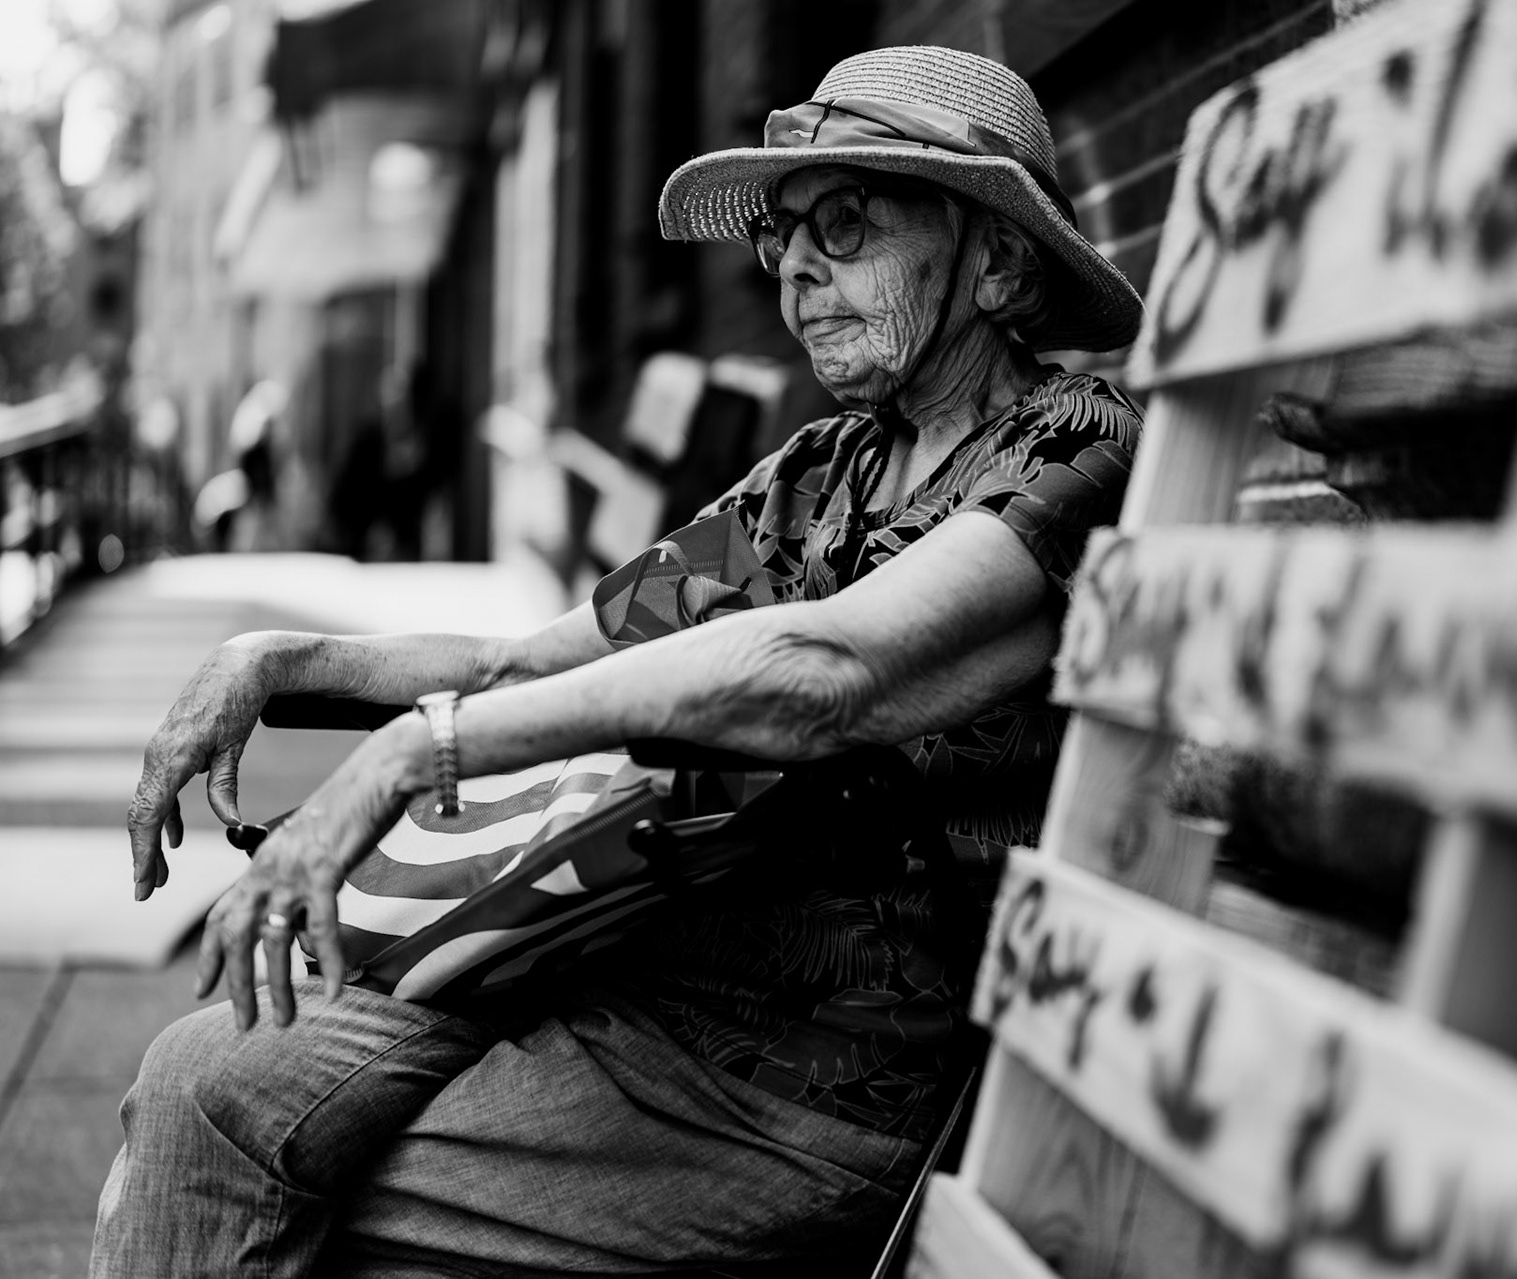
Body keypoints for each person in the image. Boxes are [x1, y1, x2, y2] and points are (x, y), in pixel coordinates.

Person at [94, 45, 1144, 1277]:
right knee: (195, 1077)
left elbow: (821, 674)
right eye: (783, 235)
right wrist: (282, 657)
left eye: (848, 223)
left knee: (266, 1175)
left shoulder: (1073, 448)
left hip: (811, 1078)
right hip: (622, 950)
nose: (797, 266)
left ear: (1000, 261)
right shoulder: (822, 470)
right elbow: (545, 656)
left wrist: (414, 755)